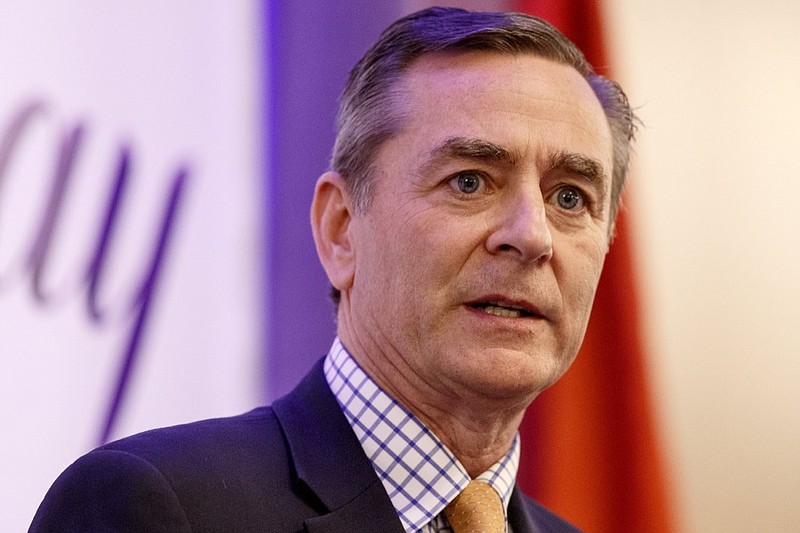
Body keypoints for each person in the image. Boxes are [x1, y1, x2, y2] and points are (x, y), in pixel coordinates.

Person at [30, 7, 636, 533]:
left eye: (570, 198)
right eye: (470, 182)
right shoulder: (154, 509)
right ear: (340, 230)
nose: (531, 235)